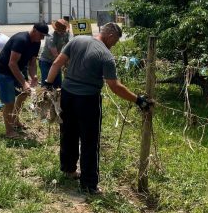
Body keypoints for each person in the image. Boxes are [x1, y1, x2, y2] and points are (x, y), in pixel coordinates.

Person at [44, 22, 153, 194]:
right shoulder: (106, 55)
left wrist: (48, 84)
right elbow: (114, 86)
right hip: (87, 100)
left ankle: (68, 169)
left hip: (67, 95)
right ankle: (89, 184)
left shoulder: (77, 40)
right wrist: (138, 100)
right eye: (115, 42)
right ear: (111, 36)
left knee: (68, 132)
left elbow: (57, 63)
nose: (114, 45)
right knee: (89, 141)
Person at [0, 23, 49, 138]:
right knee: (9, 102)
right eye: (41, 35)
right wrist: (24, 82)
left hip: (18, 69)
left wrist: (33, 76)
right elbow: (12, 63)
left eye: (44, 36)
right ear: (34, 30)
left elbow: (32, 62)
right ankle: (9, 131)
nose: (42, 38)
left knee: (24, 93)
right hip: (3, 71)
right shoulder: (21, 40)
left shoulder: (36, 43)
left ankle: (15, 119)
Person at [39, 19, 69, 87]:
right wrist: (64, 64)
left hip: (56, 61)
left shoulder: (65, 34)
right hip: (46, 61)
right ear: (56, 29)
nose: (62, 33)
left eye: (63, 31)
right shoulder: (51, 37)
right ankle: (45, 96)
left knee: (58, 84)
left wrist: (68, 62)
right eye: (61, 31)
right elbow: (55, 55)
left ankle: (57, 97)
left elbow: (68, 47)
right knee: (47, 84)